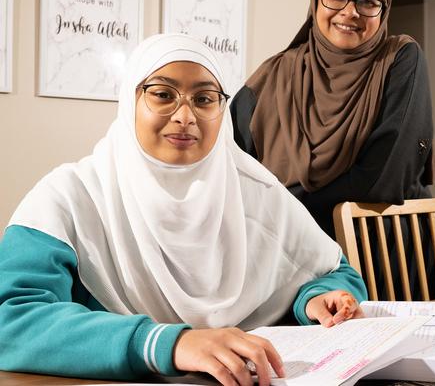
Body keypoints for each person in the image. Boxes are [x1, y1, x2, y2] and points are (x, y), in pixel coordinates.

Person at [0, 34, 367, 385]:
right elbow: (10, 323)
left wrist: (317, 299)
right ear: (131, 100)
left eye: (205, 99)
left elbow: (338, 272)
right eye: (162, 94)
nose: (185, 116)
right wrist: (169, 343)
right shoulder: (69, 197)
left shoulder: (257, 192)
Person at [230, 0, 434, 298]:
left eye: (368, 1)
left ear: (383, 11)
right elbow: (234, 171)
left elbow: (387, 175)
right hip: (295, 260)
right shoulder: (272, 75)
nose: (350, 12)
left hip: (381, 249)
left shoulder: (400, 58)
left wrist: (284, 210)